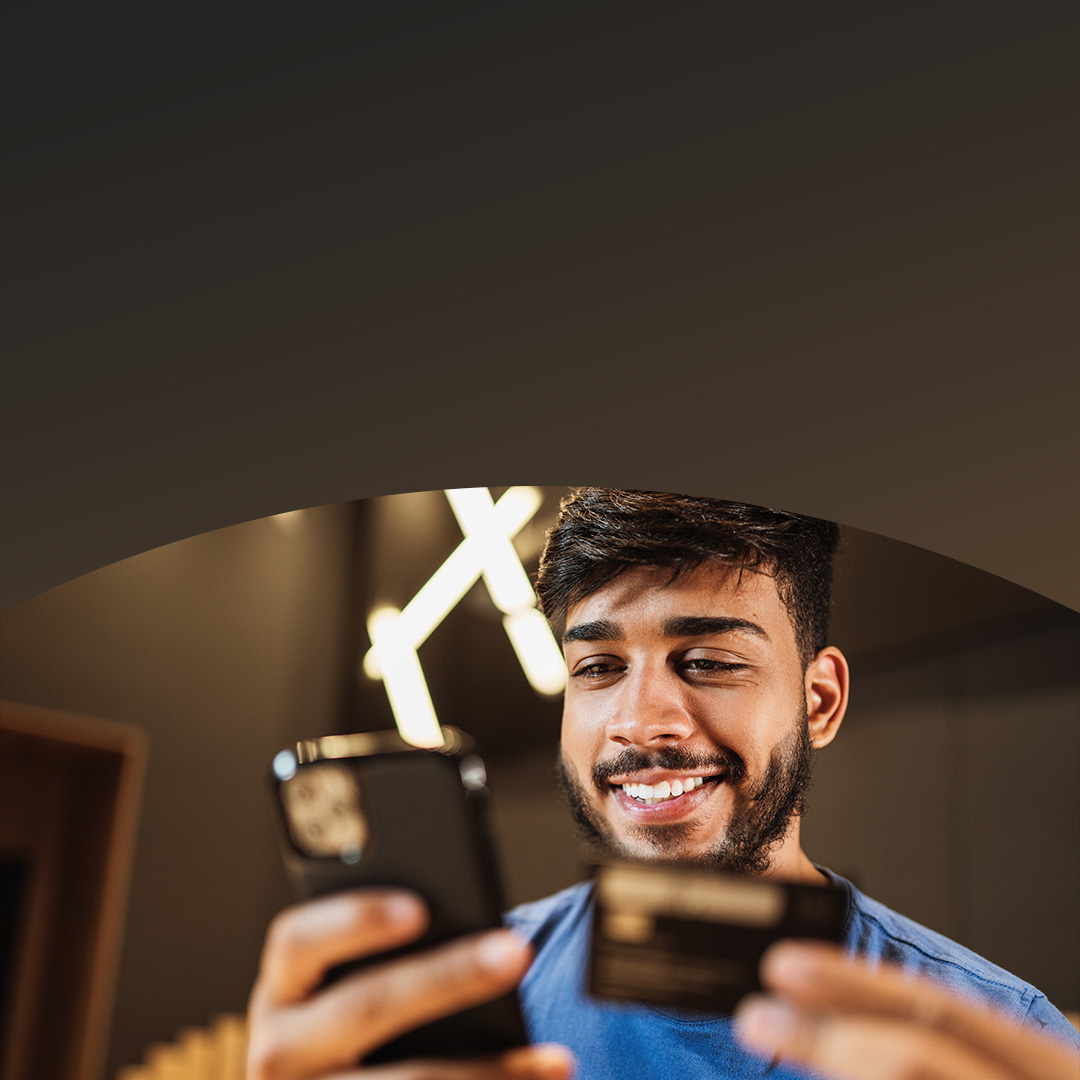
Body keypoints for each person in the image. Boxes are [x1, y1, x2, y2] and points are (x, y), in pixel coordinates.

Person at [246, 488, 1079, 1080]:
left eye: (711, 662)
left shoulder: (1003, 1041)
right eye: (599, 667)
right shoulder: (460, 1002)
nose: (641, 722)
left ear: (819, 700)